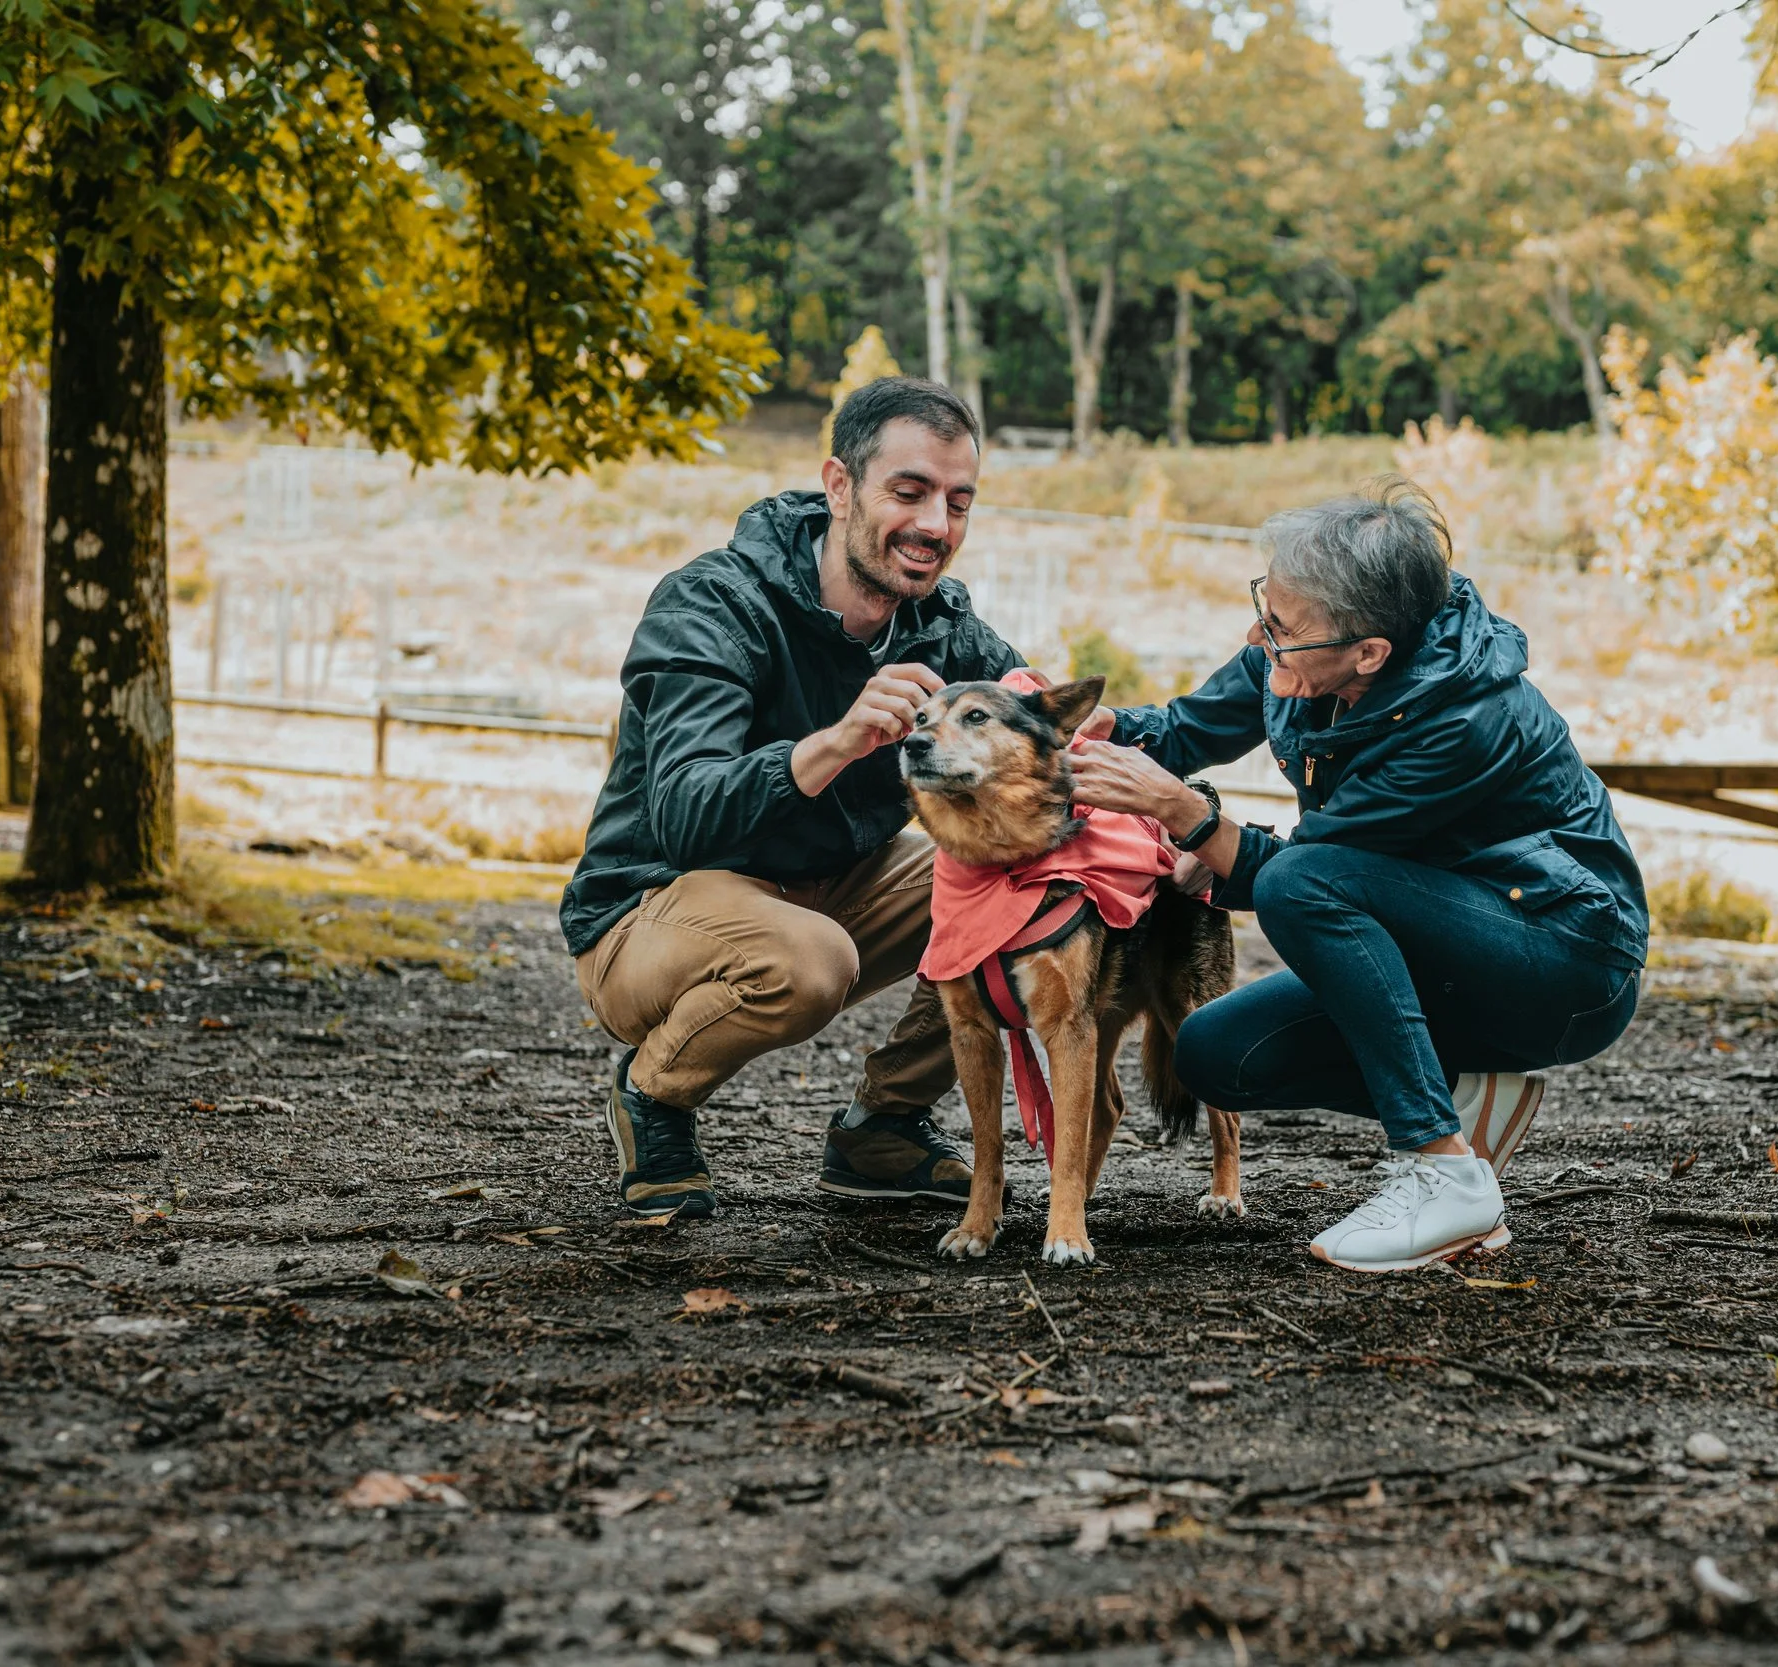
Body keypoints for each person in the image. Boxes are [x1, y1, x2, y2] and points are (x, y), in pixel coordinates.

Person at [1064, 479, 1648, 1272]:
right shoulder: (1304, 654)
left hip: (1564, 957)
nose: (1258, 635)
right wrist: (1103, 733)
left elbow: (1307, 869)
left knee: (1296, 885)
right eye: (1264, 609)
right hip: (1445, 947)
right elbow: (1185, 728)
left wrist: (1190, 819)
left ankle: (1443, 1171)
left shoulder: (1467, 720)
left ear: (1368, 650)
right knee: (1213, 1054)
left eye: (1280, 626)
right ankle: (1473, 1096)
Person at [560, 378, 1024, 1218]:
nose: (936, 526)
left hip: (828, 892)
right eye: (910, 492)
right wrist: (836, 741)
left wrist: (1191, 759)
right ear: (840, 485)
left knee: (1026, 881)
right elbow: (685, 814)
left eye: (959, 502)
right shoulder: (713, 603)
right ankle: (652, 1091)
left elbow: (1048, 727)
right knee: (812, 961)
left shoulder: (945, 628)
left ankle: (882, 1127)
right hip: (653, 912)